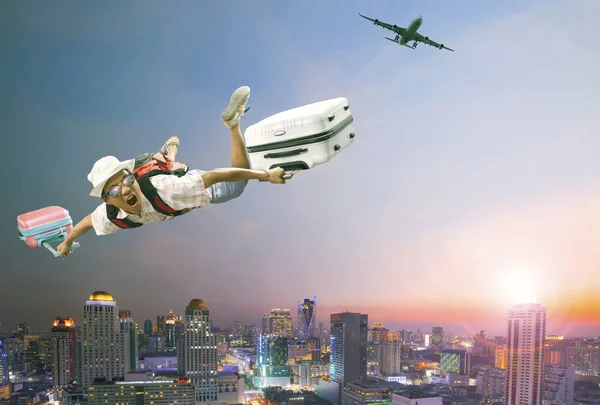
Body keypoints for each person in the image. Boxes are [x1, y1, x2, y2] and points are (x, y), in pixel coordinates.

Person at [57, 86, 285, 259]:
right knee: (166, 161)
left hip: (189, 189)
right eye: (116, 190)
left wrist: (266, 176)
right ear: (107, 200)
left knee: (240, 185)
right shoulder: (110, 216)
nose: (125, 189)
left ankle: (232, 124)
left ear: (132, 175)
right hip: (165, 183)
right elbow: (86, 223)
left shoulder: (170, 191)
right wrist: (67, 242)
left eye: (126, 180)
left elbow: (215, 175)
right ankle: (169, 149)